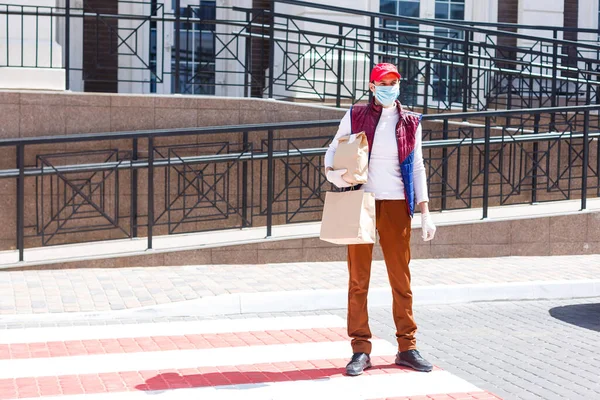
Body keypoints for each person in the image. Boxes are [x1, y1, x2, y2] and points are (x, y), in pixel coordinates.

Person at [324, 63, 437, 376]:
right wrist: (333, 174)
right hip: (361, 201)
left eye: (394, 81)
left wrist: (425, 212)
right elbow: (333, 149)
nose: (389, 86)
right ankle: (360, 349)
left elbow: (417, 167)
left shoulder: (411, 121)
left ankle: (407, 347)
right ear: (372, 86)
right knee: (358, 279)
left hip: (397, 204)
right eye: (383, 82)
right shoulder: (356, 115)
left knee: (401, 278)